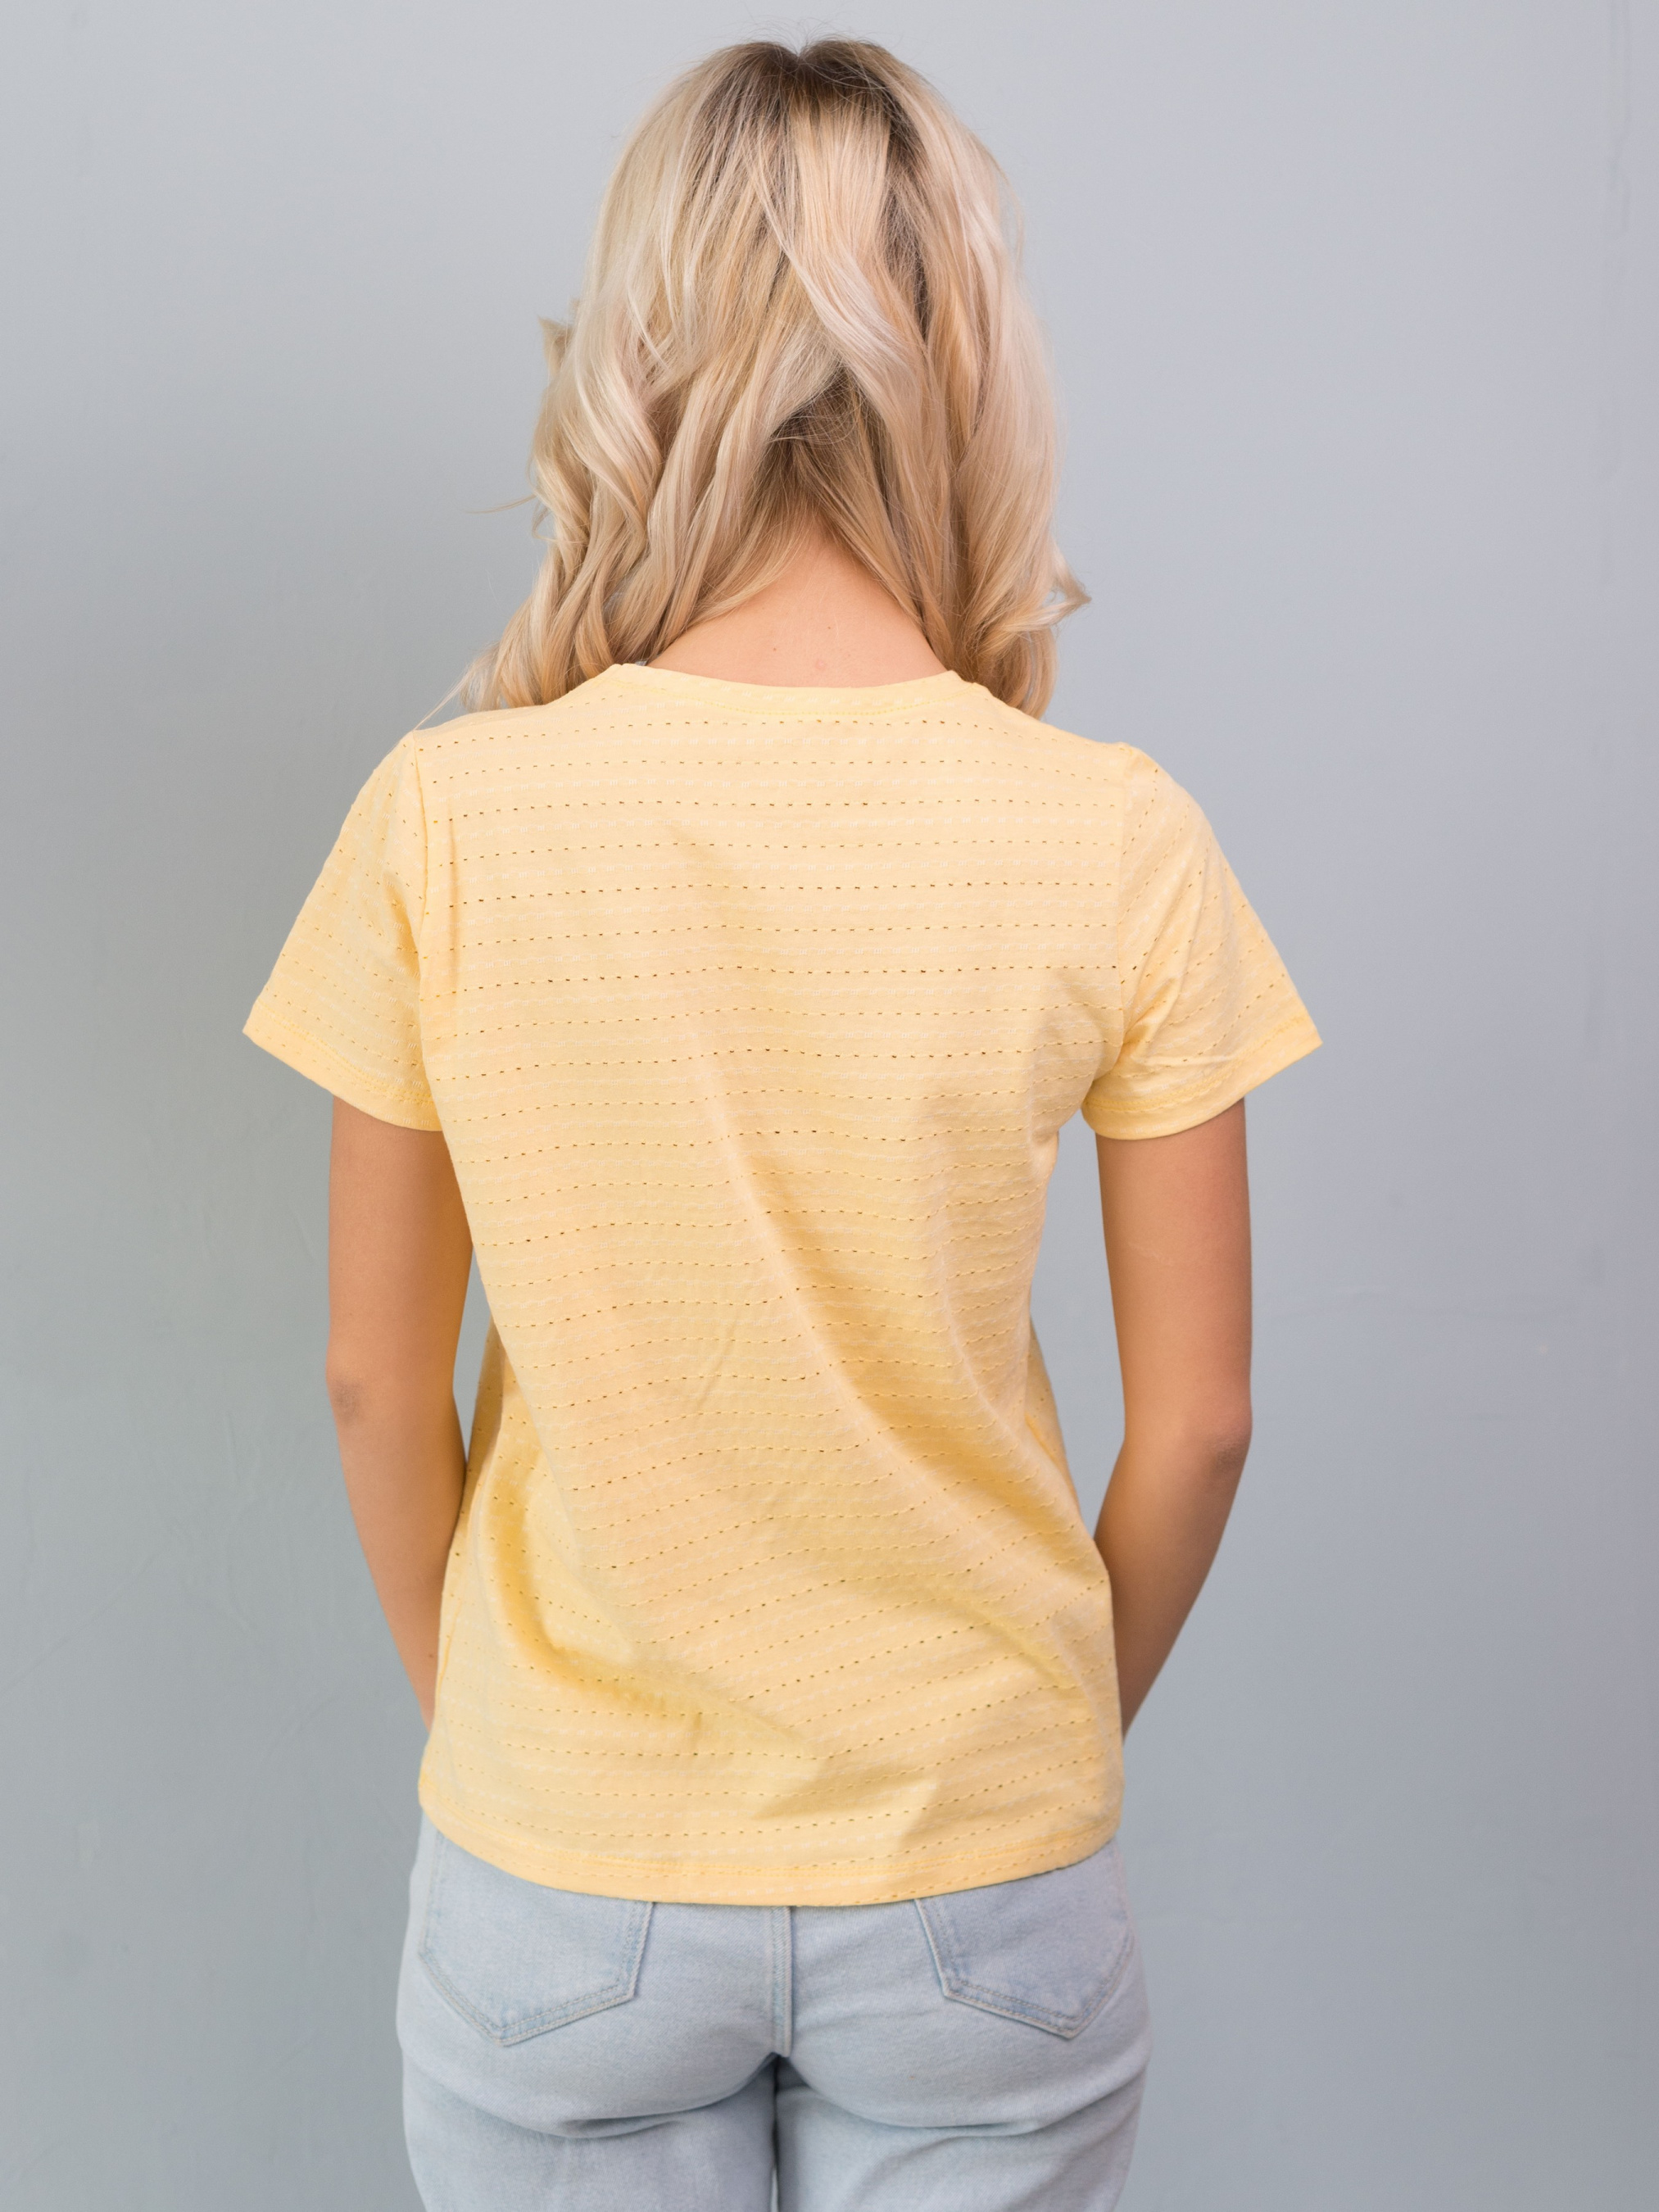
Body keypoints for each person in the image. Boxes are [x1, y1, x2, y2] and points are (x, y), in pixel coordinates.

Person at [245, 37, 1319, 2211]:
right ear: (972, 357)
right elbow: (1200, 1424)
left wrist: (516, 1747)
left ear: (639, 342)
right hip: (980, 1881)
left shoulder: (447, 818)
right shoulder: (1112, 833)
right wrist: (1023, 1752)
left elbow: (373, 1376)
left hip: (565, 1869)